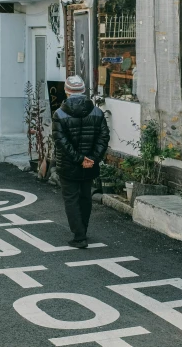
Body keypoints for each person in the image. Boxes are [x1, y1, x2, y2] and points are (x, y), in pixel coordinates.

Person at [52, 76, 109, 248]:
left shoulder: (59, 114)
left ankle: (79, 236)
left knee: (71, 199)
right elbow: (104, 137)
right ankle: (83, 230)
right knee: (85, 197)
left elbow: (61, 142)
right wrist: (92, 158)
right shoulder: (97, 112)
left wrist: (78, 159)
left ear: (67, 92)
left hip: (69, 165)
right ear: (84, 91)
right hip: (89, 165)